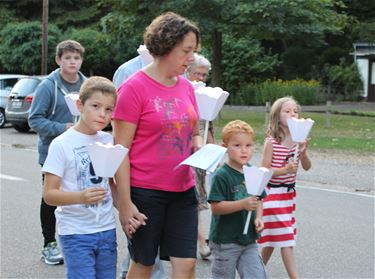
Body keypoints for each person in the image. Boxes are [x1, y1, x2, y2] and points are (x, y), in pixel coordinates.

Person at [112, 12, 201, 279]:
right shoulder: (133, 88)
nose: (191, 58)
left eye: (194, 51)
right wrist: (125, 203)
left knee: (187, 265)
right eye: (186, 51)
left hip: (184, 190)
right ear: (165, 45)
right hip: (145, 192)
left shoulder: (187, 87)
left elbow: (194, 131)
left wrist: (199, 145)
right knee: (143, 264)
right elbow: (120, 151)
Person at [42, 76, 118, 278]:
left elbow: (111, 185)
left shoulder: (109, 140)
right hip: (75, 232)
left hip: (107, 229)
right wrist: (80, 197)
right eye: (95, 106)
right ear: (80, 105)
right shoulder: (61, 144)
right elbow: (49, 195)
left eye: (109, 109)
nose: (102, 114)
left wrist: (128, 211)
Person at [28, 40, 86, 265]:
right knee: (52, 198)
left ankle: (78, 242)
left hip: (81, 151)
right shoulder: (48, 86)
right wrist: (63, 128)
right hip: (53, 151)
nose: (72, 62)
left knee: (79, 198)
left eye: (76, 58)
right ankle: (49, 244)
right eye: (68, 58)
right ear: (58, 60)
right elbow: (34, 120)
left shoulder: (86, 84)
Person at [112, 46, 166, 279]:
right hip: (140, 176)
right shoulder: (128, 74)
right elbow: (121, 140)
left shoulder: (177, 74)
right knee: (145, 255)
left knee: (149, 252)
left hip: (167, 178)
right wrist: (124, 202)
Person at [257, 96, 312, 279]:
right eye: (287, 111)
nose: (292, 114)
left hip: (288, 196)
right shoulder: (271, 142)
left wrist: (303, 153)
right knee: (286, 238)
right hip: (272, 194)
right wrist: (285, 169)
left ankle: (255, 272)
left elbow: (307, 166)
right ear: (276, 115)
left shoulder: (299, 140)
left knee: (273, 239)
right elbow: (264, 171)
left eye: (295, 111)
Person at [207, 120, 267, 279]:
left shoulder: (253, 171)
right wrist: (242, 204)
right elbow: (216, 207)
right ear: (225, 147)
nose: (244, 150)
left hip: (249, 241)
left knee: (257, 275)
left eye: (248, 145)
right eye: (237, 145)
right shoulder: (222, 175)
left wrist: (259, 218)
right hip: (225, 241)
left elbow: (259, 198)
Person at [186, 53, 214, 259]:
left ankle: (202, 240)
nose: (201, 79)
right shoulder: (182, 95)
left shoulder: (206, 97)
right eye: (197, 74)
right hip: (185, 156)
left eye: (204, 75)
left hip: (201, 157)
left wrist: (214, 153)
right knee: (191, 202)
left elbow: (208, 127)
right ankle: (202, 241)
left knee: (196, 202)